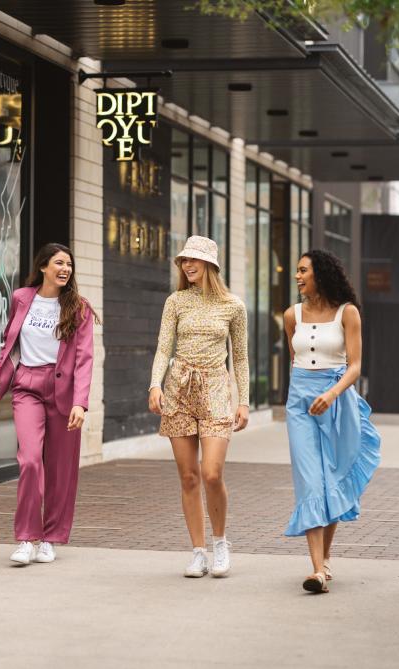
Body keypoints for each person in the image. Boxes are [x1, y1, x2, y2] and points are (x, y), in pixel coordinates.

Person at [148, 236, 249, 578]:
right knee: (189, 476)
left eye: (193, 260)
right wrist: (154, 384)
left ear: (210, 265)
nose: (187, 265)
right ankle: (198, 551)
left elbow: (241, 358)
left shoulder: (233, 306)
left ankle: (221, 543)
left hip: (217, 391)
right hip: (179, 390)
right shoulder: (175, 302)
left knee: (212, 473)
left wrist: (245, 401)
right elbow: (164, 347)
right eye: (183, 261)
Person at [0, 243, 100, 565]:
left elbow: (84, 359)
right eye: (59, 263)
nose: (65, 269)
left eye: (69, 264)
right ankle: (27, 537)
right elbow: (10, 338)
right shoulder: (21, 298)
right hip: (27, 386)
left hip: (63, 391)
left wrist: (81, 403)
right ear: (43, 267)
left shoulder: (78, 308)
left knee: (60, 469)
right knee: (29, 461)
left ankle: (51, 537)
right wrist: (2, 368)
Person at [283, 249, 381, 593]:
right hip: (299, 405)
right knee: (310, 481)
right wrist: (306, 395)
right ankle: (316, 570)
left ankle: (324, 561)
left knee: (332, 478)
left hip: (337, 400)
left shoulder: (347, 313)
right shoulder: (291, 315)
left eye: (302, 271)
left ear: (320, 274)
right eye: (296, 271)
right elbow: (295, 360)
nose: (297, 277)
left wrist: (332, 393)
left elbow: (355, 365)